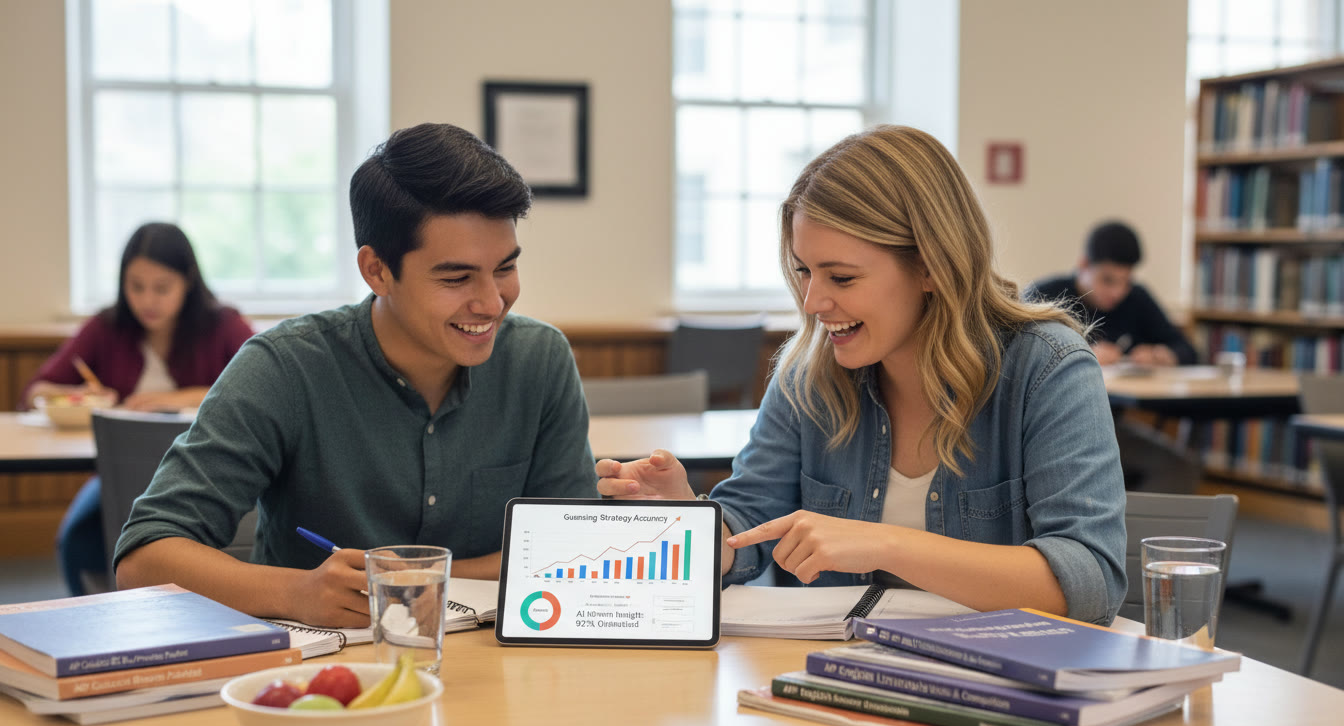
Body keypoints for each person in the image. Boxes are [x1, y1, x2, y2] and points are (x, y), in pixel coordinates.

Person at [597, 126, 1127, 625]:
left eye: (842, 277)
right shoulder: (807, 376)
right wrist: (686, 525)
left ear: (931, 266)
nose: (813, 302)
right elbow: (749, 522)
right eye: (805, 271)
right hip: (836, 675)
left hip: (997, 678)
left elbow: (1090, 582)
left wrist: (885, 544)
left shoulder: (1047, 368)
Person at [114, 123, 599, 628]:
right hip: (322, 664)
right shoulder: (285, 367)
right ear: (377, 271)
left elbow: (570, 545)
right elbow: (143, 559)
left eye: (504, 269)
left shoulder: (539, 359)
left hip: (496, 659)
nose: (492, 303)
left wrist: (404, 581)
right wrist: (296, 592)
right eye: (457, 278)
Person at [21, 222, 254, 596]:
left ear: (188, 283)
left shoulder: (223, 324)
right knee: (75, 539)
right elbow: (36, 391)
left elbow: (260, 390)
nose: (148, 300)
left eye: (162, 288)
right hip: (119, 474)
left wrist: (178, 398)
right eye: (136, 286)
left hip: (207, 474)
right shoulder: (107, 327)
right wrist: (79, 396)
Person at [1027, 221, 1197, 367]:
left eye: (1126, 281)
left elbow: (1188, 351)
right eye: (1107, 280)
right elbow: (1024, 356)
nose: (1117, 292)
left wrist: (1162, 355)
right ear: (1084, 265)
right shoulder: (1044, 296)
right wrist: (1081, 354)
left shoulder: (1137, 298)